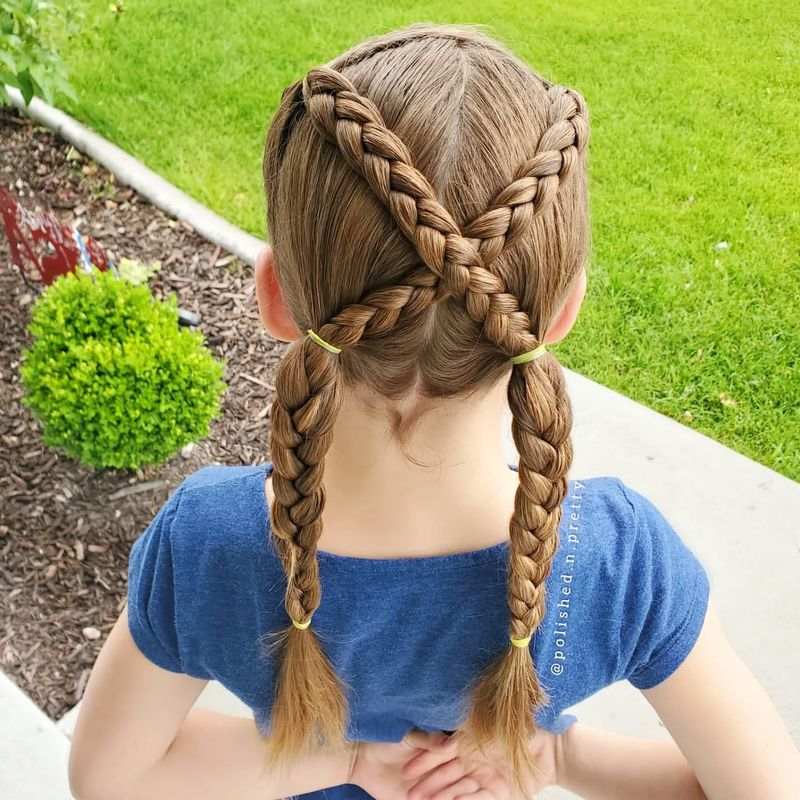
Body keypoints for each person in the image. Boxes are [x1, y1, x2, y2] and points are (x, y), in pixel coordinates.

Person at [68, 23, 800, 800]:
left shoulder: (210, 545)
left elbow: (110, 775)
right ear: (559, 314)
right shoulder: (616, 563)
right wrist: (562, 760)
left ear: (277, 297)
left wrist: (351, 762)